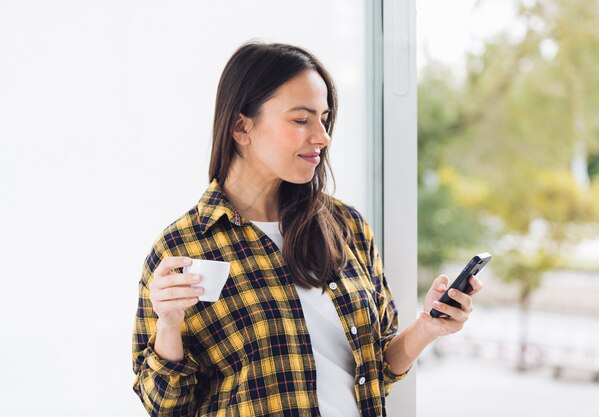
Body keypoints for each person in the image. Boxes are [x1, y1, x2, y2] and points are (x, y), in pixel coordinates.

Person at [132, 41, 483, 417]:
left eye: (325, 118)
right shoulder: (184, 247)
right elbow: (166, 407)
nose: (323, 136)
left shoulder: (346, 227)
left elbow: (377, 367)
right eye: (302, 120)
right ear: (241, 127)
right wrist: (169, 325)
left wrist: (427, 328)